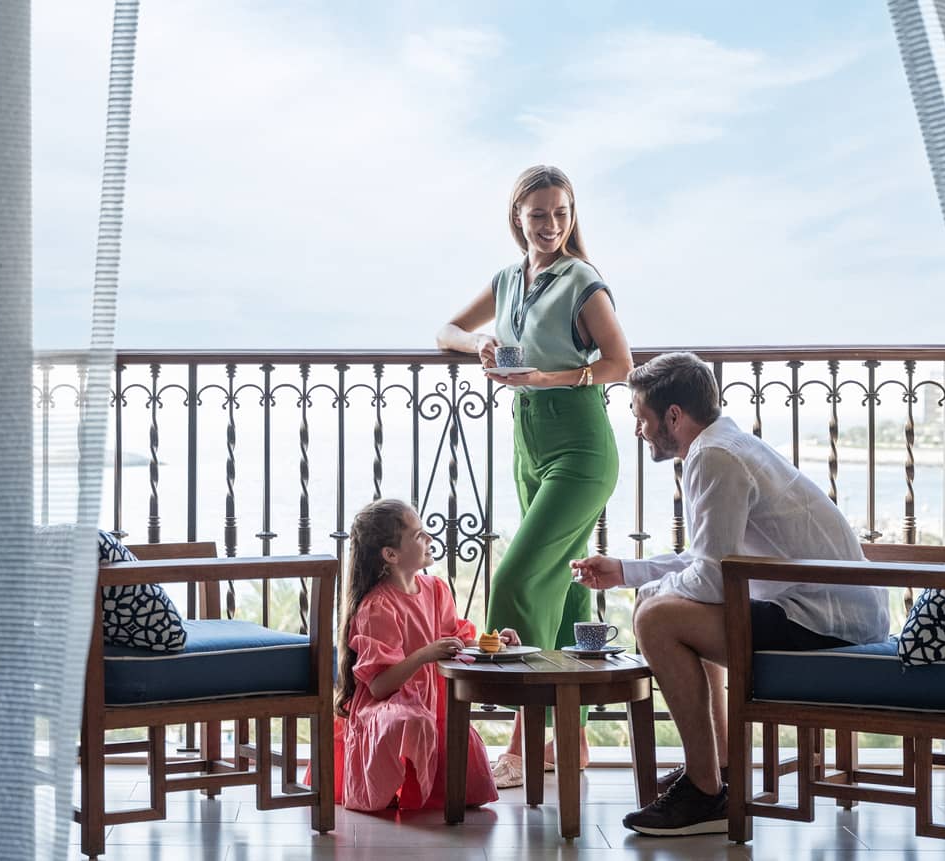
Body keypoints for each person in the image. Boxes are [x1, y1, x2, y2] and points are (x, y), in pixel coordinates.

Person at [571, 351, 890, 836]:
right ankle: (717, 770)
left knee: (657, 619)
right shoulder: (725, 444)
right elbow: (713, 562)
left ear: (673, 416)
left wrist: (652, 593)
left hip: (826, 623)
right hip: (832, 610)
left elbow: (713, 580)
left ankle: (705, 793)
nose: (638, 430)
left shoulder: (714, 457)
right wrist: (628, 572)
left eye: (641, 418)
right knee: (665, 605)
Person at [436, 165, 633, 787]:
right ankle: (564, 744)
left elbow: (620, 362)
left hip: (579, 444)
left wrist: (556, 377)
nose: (551, 225)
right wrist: (482, 347)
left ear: (572, 217)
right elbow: (446, 331)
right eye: (539, 214)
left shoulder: (583, 281)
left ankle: (522, 745)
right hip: (529, 442)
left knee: (519, 576)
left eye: (561, 213)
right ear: (517, 216)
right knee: (565, 588)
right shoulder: (507, 279)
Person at [334, 498, 515, 811]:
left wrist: (495, 642)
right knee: (411, 720)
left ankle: (431, 787)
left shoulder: (435, 589)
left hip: (431, 698)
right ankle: (394, 788)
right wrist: (424, 655)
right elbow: (378, 687)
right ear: (390, 555)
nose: (429, 538)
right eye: (418, 535)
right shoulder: (378, 607)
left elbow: (456, 639)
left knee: (454, 741)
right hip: (387, 705)